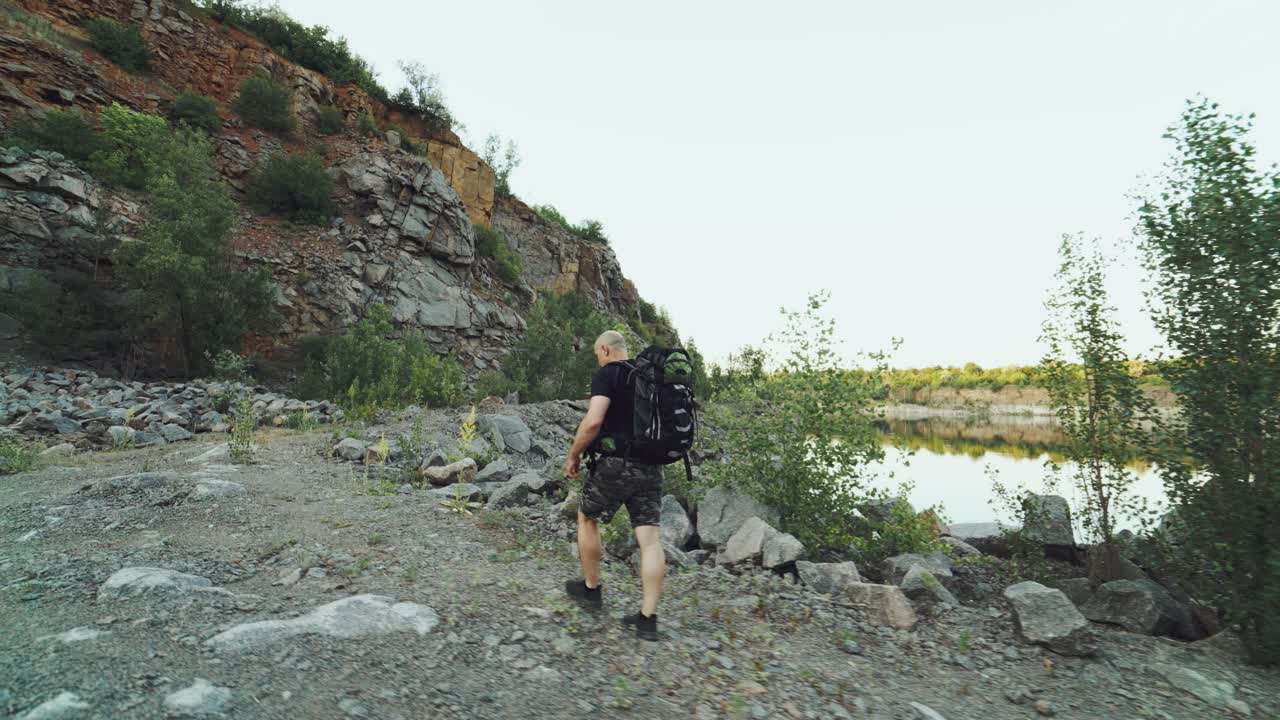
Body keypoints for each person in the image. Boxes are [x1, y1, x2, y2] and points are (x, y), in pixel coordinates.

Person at [563, 330, 666, 641]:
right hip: (651, 464)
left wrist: (574, 455)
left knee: (587, 517)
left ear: (605, 349)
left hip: (616, 464)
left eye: (597, 353)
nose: (598, 358)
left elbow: (594, 421)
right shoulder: (649, 376)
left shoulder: (608, 374)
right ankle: (647, 619)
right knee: (649, 539)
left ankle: (591, 590)